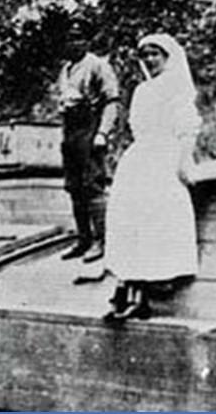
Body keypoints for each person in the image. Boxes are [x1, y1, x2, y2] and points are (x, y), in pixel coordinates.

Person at [102, 34, 201, 322]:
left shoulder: (177, 87)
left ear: (168, 56)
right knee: (130, 218)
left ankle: (143, 295)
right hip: (141, 156)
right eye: (145, 55)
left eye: (155, 54)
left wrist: (184, 161)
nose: (149, 60)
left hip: (165, 156)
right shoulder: (143, 90)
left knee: (152, 220)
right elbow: (137, 127)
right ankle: (125, 288)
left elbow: (187, 128)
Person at [56, 29, 121, 263]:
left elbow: (111, 101)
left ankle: (101, 241)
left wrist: (102, 132)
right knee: (74, 187)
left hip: (90, 125)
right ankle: (83, 239)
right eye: (69, 39)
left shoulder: (97, 65)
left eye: (78, 37)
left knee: (92, 185)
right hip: (71, 127)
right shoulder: (66, 69)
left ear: (86, 40)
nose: (74, 43)